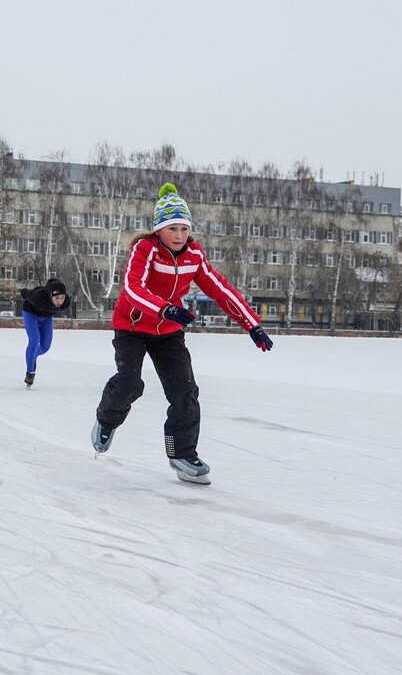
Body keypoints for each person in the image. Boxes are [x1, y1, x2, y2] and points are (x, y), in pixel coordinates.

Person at [91, 183, 273, 485]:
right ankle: (106, 419)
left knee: (185, 392)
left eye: (184, 228)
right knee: (130, 383)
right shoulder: (145, 249)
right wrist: (165, 309)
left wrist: (252, 324)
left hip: (168, 331)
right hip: (132, 327)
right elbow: (133, 289)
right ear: (158, 229)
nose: (178, 235)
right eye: (172, 228)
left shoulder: (194, 255)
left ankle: (182, 454)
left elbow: (221, 289)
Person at [18, 278, 70, 388]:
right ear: (50, 296)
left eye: (62, 297)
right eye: (57, 298)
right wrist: (23, 291)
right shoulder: (38, 296)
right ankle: (30, 373)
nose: (60, 301)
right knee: (34, 341)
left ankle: (33, 355)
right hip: (31, 314)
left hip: (46, 318)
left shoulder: (66, 303)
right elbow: (26, 293)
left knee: (45, 347)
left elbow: (62, 298)